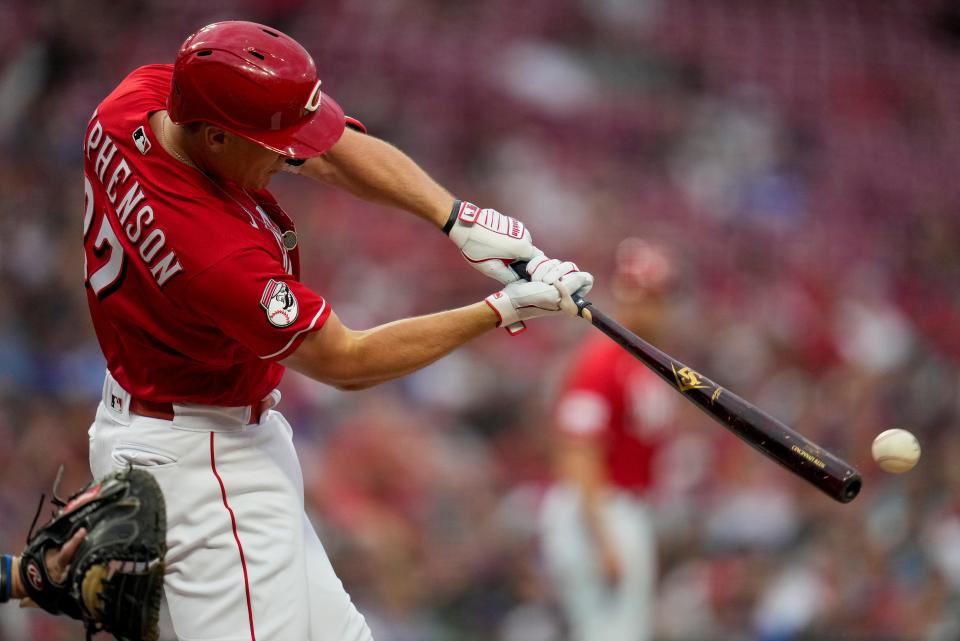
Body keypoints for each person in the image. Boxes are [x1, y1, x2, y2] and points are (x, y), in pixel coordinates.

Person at [81, 19, 593, 641]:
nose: (289, 152)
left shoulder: (132, 103)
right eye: (271, 142)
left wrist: (454, 217)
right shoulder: (214, 255)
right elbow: (345, 361)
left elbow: (326, 152)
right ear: (214, 134)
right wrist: (500, 311)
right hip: (197, 459)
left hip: (189, 425)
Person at [539, 239, 679, 641]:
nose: (651, 308)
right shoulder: (602, 361)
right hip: (597, 509)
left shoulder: (641, 361)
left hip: (621, 509)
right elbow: (579, 451)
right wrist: (603, 539)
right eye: (644, 296)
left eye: (658, 297)